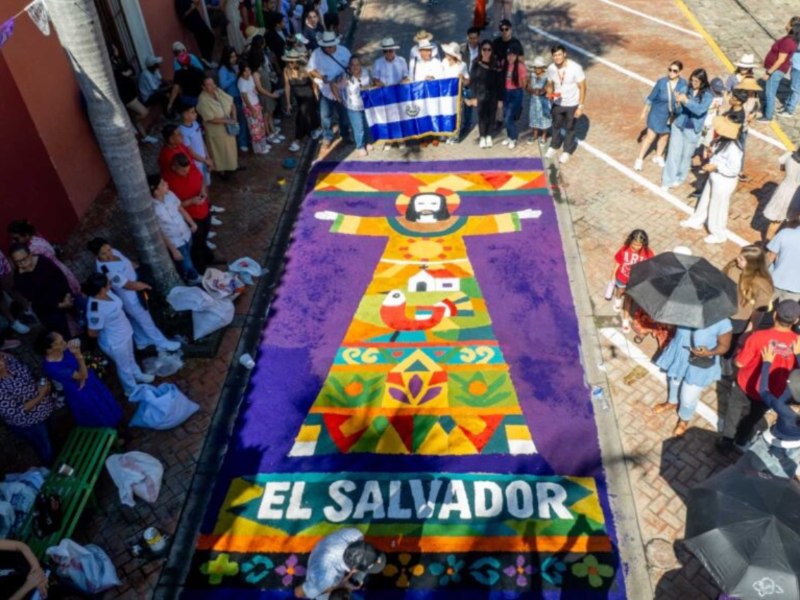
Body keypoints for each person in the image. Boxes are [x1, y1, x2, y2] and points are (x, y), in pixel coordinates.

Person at [718, 300, 800, 451]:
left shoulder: (757, 336)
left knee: (733, 411)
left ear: (775, 315)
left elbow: (740, 364)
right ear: (795, 320)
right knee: (753, 417)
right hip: (771, 392)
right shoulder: (798, 343)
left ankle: (726, 441)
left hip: (745, 384)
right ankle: (742, 439)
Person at [87, 238, 181, 352]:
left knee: (136, 320)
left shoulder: (114, 252)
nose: (109, 254)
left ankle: (141, 341)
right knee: (146, 321)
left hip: (137, 285)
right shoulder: (107, 270)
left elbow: (128, 262)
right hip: (130, 297)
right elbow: (128, 285)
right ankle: (162, 343)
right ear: (96, 255)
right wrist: (146, 286)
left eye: (109, 250)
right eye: (103, 253)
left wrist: (139, 271)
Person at [654, 317, 733, 437]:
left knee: (688, 397)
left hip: (699, 362)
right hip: (679, 353)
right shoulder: (686, 306)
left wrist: (709, 352)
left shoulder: (723, 322)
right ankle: (672, 402)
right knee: (673, 381)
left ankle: (684, 419)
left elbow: (724, 347)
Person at [84, 273, 155, 396]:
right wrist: (108, 330)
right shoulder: (95, 310)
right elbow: (92, 333)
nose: (111, 284)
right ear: (101, 289)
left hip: (125, 332)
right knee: (124, 367)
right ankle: (131, 389)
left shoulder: (107, 293)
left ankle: (138, 375)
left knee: (131, 357)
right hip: (115, 341)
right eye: (108, 284)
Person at [679, 112, 745, 244]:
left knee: (718, 206)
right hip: (715, 176)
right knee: (705, 199)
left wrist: (716, 167)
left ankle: (718, 233)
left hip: (724, 180)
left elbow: (734, 170)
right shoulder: (722, 140)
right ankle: (696, 221)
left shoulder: (734, 149)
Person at [38, 331, 123, 428]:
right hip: (80, 391)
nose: (65, 343)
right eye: (60, 343)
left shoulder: (64, 349)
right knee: (96, 411)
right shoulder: (52, 367)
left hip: (90, 382)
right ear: (49, 350)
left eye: (63, 339)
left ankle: (119, 425)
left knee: (106, 402)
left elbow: (82, 374)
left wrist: (82, 375)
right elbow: (83, 375)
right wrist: (78, 356)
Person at [745, 344, 800, 477]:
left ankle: (755, 473)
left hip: (777, 439)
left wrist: (766, 363)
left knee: (758, 460)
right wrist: (798, 355)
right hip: (796, 442)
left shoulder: (782, 406)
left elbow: (763, 391)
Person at [0, 351, 60, 465]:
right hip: (30, 423)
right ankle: (53, 470)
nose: (1, 361)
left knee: (53, 436)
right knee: (45, 448)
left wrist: (42, 385)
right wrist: (41, 395)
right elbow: (16, 412)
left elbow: (29, 376)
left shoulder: (10, 361)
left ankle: (61, 457)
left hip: (45, 409)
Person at [294, 528, 386, 599]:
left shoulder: (355, 534)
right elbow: (298, 593)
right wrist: (340, 586)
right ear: (353, 570)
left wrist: (344, 585)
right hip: (322, 577)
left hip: (326, 552)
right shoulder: (325, 579)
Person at [660, 68, 713, 189]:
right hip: (679, 125)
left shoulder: (707, 96)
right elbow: (677, 110)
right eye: (692, 80)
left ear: (702, 82)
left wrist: (686, 101)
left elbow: (699, 110)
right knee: (673, 154)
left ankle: (680, 177)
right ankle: (667, 181)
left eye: (696, 81)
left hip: (692, 130)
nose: (693, 83)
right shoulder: (685, 89)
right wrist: (677, 103)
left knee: (686, 156)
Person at [10, 244, 76, 339]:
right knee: (61, 332)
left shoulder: (42, 260)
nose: (23, 263)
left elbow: (59, 275)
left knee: (81, 310)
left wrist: (67, 294)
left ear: (30, 255)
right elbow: (37, 299)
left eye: (24, 258)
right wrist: (59, 305)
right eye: (18, 261)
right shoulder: (19, 279)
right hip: (48, 307)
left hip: (64, 295)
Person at [164, 153, 216, 269]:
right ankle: (200, 267)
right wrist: (191, 202)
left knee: (203, 236)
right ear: (174, 167)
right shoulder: (167, 181)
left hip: (204, 209)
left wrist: (203, 191)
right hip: (190, 216)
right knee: (197, 243)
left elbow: (201, 180)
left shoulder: (191, 168)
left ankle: (208, 257)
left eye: (187, 170)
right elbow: (172, 206)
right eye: (183, 171)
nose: (186, 173)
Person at [149, 174, 201, 285]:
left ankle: (190, 275)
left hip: (186, 234)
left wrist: (192, 223)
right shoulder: (152, 208)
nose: (166, 184)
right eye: (162, 184)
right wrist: (173, 249)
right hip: (175, 242)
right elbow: (159, 231)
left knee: (188, 257)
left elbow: (181, 209)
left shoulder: (170, 195)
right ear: (156, 191)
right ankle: (193, 279)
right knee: (186, 264)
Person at [634, 60, 687, 171]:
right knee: (650, 138)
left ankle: (658, 156)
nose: (671, 72)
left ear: (679, 72)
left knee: (664, 137)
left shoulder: (683, 84)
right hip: (656, 114)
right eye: (670, 70)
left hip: (670, 116)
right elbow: (651, 98)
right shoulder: (662, 82)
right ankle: (639, 159)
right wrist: (644, 112)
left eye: (674, 71)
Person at [8, 219, 81, 295]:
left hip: (56, 277)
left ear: (26, 235)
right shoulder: (35, 237)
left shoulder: (33, 250)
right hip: (60, 270)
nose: (13, 242)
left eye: (16, 238)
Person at [722, 245, 774, 345]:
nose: (737, 259)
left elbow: (758, 311)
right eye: (739, 256)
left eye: (741, 259)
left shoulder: (763, 285)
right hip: (722, 311)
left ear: (752, 264)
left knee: (729, 344)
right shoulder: (733, 265)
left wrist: (750, 330)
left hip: (737, 320)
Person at [307, 31, 351, 150]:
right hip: (325, 91)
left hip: (341, 89)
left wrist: (343, 75)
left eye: (330, 47)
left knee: (344, 115)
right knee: (325, 116)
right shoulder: (316, 54)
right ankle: (327, 136)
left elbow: (351, 66)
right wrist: (321, 76)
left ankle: (345, 135)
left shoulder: (344, 51)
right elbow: (310, 70)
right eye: (325, 47)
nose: (328, 49)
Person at [544, 44, 586, 165]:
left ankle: (567, 151)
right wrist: (549, 93)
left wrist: (581, 106)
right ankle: (554, 145)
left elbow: (583, 87)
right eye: (555, 55)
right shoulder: (551, 68)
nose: (557, 57)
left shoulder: (575, 68)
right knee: (556, 125)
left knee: (570, 128)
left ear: (564, 54)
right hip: (557, 103)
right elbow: (550, 84)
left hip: (572, 103)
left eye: (559, 54)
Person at [108, 44, 158, 144]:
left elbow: (131, 69)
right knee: (144, 112)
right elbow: (119, 77)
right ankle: (133, 121)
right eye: (114, 48)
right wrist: (126, 73)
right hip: (126, 95)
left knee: (138, 113)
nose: (116, 49)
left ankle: (144, 136)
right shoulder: (111, 65)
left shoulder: (119, 60)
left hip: (131, 91)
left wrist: (127, 73)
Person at [610, 229, 654, 333]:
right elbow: (618, 261)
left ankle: (625, 320)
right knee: (620, 290)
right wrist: (613, 273)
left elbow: (650, 266)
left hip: (634, 282)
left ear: (644, 244)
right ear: (630, 241)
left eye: (639, 245)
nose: (635, 247)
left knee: (628, 300)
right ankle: (617, 299)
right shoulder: (624, 249)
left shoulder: (648, 253)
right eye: (634, 244)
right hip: (622, 277)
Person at [196, 76, 240, 175]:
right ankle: (222, 171)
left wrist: (234, 117)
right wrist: (228, 121)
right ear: (203, 87)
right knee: (219, 152)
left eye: (213, 84)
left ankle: (233, 166)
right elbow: (210, 118)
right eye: (209, 85)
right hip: (216, 131)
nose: (212, 86)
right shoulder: (203, 100)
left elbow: (231, 103)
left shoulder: (218, 91)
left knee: (230, 149)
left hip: (228, 128)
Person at [759, 17, 800, 122]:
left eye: (788, 22)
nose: (786, 24)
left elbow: (781, 59)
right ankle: (781, 107)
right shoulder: (791, 39)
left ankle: (768, 115)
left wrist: (769, 72)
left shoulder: (788, 41)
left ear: (792, 26)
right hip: (787, 67)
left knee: (770, 92)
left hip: (779, 70)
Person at [283, 48, 321, 152]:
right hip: (298, 97)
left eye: (293, 61)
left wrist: (316, 94)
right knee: (309, 114)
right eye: (289, 62)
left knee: (301, 115)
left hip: (308, 95)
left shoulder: (304, 68)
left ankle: (297, 139)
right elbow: (287, 87)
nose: (291, 64)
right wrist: (288, 103)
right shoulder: (286, 70)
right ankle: (316, 127)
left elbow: (313, 82)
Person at [469, 40, 502, 148]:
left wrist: (500, 99)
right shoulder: (476, 62)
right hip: (480, 94)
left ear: (492, 51)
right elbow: (472, 81)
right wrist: (473, 97)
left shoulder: (495, 63)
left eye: (489, 49)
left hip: (493, 95)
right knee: (482, 116)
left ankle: (489, 135)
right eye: (484, 49)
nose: (487, 52)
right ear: (481, 50)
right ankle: (482, 137)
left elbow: (499, 82)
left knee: (492, 116)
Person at [219, 46, 252, 152]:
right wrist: (234, 77)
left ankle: (247, 139)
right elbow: (223, 85)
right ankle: (242, 143)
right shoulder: (223, 69)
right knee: (241, 119)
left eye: (234, 56)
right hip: (233, 97)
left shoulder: (235, 66)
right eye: (231, 57)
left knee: (245, 118)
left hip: (241, 95)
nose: (234, 59)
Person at [763, 148, 800, 240]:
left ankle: (766, 244)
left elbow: (782, 167)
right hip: (796, 195)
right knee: (791, 222)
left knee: (775, 221)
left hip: (783, 190)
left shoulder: (790, 154)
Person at [340, 56, 372, 156]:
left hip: (366, 105)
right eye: (352, 65)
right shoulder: (345, 76)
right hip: (353, 107)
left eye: (357, 64)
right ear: (349, 66)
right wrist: (339, 98)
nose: (355, 67)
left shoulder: (366, 72)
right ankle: (360, 146)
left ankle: (367, 142)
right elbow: (334, 85)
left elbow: (371, 84)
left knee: (367, 125)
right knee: (359, 127)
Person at [178, 104, 215, 187]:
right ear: (185, 115)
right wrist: (205, 161)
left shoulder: (195, 123)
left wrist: (208, 157)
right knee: (201, 184)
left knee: (207, 182)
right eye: (192, 112)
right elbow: (190, 152)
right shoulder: (182, 131)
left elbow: (201, 141)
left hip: (204, 158)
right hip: (196, 163)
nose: (195, 114)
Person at [440, 42, 470, 145]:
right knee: (445, 113)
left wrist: (462, 79)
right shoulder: (443, 62)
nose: (446, 55)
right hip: (444, 94)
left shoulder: (462, 65)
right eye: (446, 53)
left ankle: (455, 136)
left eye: (448, 54)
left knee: (456, 114)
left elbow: (467, 81)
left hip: (456, 94)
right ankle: (445, 133)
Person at [238, 62, 271, 154]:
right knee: (254, 129)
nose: (248, 72)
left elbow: (254, 89)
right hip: (250, 107)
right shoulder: (241, 82)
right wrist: (252, 109)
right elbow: (245, 98)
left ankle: (263, 145)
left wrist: (256, 93)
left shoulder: (250, 78)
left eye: (249, 70)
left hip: (256, 103)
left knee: (261, 126)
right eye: (245, 71)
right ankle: (258, 149)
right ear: (241, 72)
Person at [500, 42, 526, 149]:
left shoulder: (520, 66)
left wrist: (518, 87)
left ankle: (514, 138)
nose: (510, 57)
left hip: (516, 93)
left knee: (508, 118)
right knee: (506, 115)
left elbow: (524, 82)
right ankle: (509, 136)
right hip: (506, 92)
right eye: (508, 55)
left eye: (513, 55)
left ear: (516, 56)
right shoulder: (504, 64)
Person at [767, 218, 800, 302]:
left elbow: (770, 257)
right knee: (784, 314)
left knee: (760, 308)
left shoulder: (785, 233)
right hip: (796, 289)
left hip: (774, 281)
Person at [526, 55, 551, 145]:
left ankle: (544, 136)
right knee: (534, 118)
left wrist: (542, 91)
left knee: (544, 118)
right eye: (535, 67)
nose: (536, 69)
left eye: (538, 67)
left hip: (543, 101)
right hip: (534, 101)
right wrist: (532, 90)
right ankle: (535, 135)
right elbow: (527, 87)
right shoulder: (531, 75)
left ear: (542, 67)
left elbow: (548, 87)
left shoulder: (547, 76)